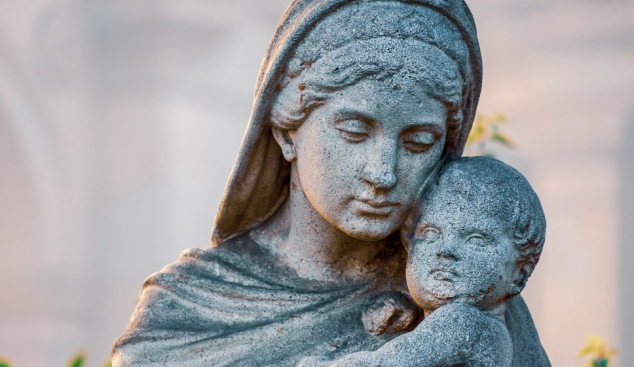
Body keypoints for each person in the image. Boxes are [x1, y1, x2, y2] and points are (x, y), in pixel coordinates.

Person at [111, 1, 550, 366]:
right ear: (287, 130)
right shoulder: (185, 310)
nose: (384, 174)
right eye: (355, 133)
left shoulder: (463, 293)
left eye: (418, 142)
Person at [296, 156, 546, 367]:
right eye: (430, 234)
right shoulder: (482, 331)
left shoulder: (464, 323)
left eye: (476, 240)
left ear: (519, 276)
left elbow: (384, 364)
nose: (446, 250)